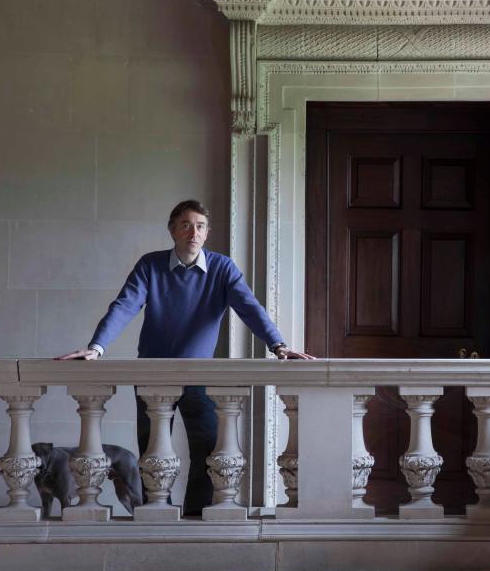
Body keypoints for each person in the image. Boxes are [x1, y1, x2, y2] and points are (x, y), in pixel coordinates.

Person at [58, 199, 312, 516]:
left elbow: (250, 308)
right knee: (151, 451)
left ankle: (195, 517)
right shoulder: (150, 265)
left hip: (199, 377)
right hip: (152, 376)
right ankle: (154, 514)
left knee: (206, 454)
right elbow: (124, 306)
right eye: (186, 225)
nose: (194, 232)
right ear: (172, 231)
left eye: (201, 226)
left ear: (206, 234)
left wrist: (278, 345)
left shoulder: (223, 269)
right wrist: (96, 347)